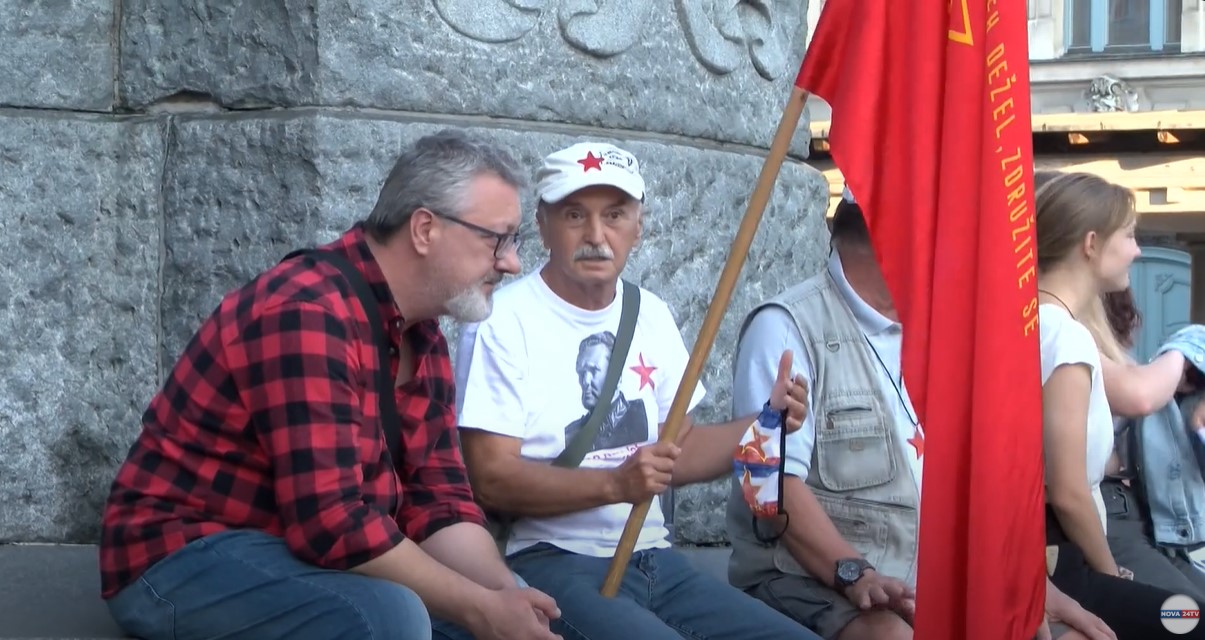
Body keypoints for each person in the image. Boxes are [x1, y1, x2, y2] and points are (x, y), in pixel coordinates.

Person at [98, 130, 562, 640]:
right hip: (181, 558)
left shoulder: (422, 332)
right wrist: (479, 609)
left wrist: (504, 595)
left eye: (513, 241)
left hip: (299, 553)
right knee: (389, 618)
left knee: (514, 609)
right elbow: (332, 522)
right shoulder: (306, 310)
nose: (512, 262)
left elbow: (439, 502)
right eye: (497, 239)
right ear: (425, 229)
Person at [443, 141, 824, 640]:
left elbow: (678, 450)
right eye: (574, 215)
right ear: (542, 225)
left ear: (638, 227)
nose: (595, 235)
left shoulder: (651, 314)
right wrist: (615, 485)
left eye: (615, 215)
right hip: (550, 560)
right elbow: (491, 479)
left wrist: (765, 423)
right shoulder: (502, 321)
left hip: (656, 558)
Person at [726, 188, 918, 640]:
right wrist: (854, 573)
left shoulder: (949, 328)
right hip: (809, 578)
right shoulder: (787, 325)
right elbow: (767, 483)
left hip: (926, 576)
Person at [1034, 170, 1205, 638]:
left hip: (1054, 555)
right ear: (1091, 244)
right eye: (1128, 235)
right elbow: (1067, 490)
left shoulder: (1038, 324)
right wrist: (1112, 572)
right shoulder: (1064, 336)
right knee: (1189, 620)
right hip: (1065, 561)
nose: (1137, 250)